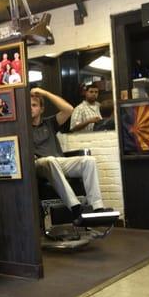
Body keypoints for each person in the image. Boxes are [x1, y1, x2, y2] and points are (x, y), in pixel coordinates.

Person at [30, 87, 110, 223]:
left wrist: (45, 93)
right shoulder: (23, 127)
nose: (30, 108)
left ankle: (97, 208)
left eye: (34, 105)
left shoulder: (49, 123)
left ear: (41, 109)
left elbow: (68, 109)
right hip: (38, 165)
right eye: (28, 106)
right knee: (50, 160)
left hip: (58, 162)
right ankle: (75, 207)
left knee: (88, 161)